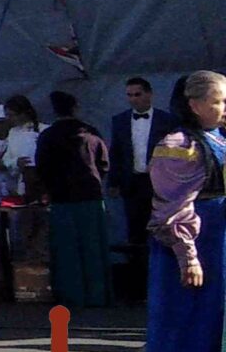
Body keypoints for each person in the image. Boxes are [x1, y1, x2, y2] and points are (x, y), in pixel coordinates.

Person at [146, 71, 226, 352]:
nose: (225, 108)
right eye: (219, 101)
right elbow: (173, 208)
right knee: (188, 329)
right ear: (195, 105)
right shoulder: (179, 145)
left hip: (219, 245)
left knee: (214, 331)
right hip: (196, 246)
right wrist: (188, 257)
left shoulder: (218, 138)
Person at [36, 91, 110, 309]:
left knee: (67, 250)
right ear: (75, 108)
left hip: (62, 198)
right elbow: (104, 164)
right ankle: (98, 294)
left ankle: (72, 295)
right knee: (93, 248)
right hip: (91, 196)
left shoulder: (48, 136)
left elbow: (43, 168)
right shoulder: (92, 133)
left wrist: (49, 189)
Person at [108, 76, 176, 303]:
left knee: (162, 229)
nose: (133, 99)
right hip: (133, 182)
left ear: (149, 94)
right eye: (129, 95)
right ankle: (138, 287)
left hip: (159, 182)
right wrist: (114, 182)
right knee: (135, 233)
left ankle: (164, 284)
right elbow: (116, 152)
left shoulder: (167, 120)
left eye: (137, 94)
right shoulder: (120, 120)